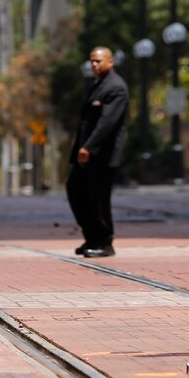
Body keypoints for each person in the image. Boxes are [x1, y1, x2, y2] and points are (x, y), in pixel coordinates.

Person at [67, 46, 129, 258]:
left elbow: (106, 123)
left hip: (102, 156)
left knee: (98, 199)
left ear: (110, 62)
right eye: (92, 61)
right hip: (86, 155)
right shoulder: (97, 85)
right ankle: (91, 238)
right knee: (76, 191)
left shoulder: (116, 87)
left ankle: (105, 242)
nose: (94, 64)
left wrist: (88, 147)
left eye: (99, 61)